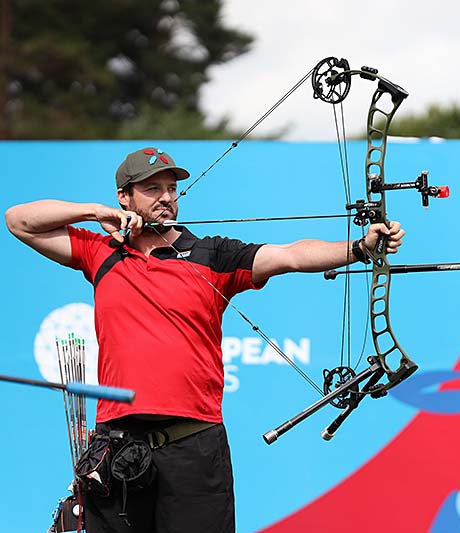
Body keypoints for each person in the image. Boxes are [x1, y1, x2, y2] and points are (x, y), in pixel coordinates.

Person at [4, 146, 405, 533]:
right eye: (152, 189)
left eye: (172, 189)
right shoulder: (100, 252)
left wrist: (359, 248)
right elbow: (18, 220)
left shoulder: (212, 254)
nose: (166, 198)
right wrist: (94, 213)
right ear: (124, 197)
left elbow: (290, 255)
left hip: (194, 446)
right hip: (117, 448)